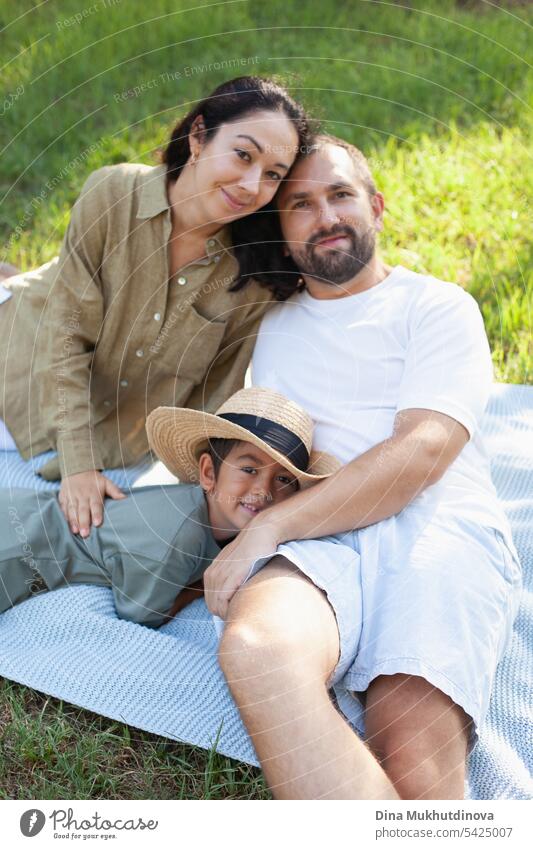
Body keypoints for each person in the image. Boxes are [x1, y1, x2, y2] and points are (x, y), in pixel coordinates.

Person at [203, 134, 523, 800]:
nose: (324, 217)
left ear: (375, 206)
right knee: (256, 648)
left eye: (340, 194)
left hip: (434, 528)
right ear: (281, 227)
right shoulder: (268, 324)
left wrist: (269, 529)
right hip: (323, 540)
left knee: (414, 767)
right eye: (299, 204)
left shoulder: (435, 306)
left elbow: (422, 450)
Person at [0, 75, 309, 538]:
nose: (251, 185)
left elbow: (213, 401)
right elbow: (66, 335)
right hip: (17, 367)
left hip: (117, 444)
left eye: (273, 175)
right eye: (243, 155)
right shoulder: (112, 193)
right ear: (199, 135)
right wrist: (80, 467)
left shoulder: (253, 281)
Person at [0, 386, 339, 628]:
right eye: (248, 470)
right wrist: (198, 587)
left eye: (283, 480)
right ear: (208, 473)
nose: (263, 490)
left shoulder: (209, 521)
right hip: (15, 552)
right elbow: (141, 614)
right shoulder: (181, 537)